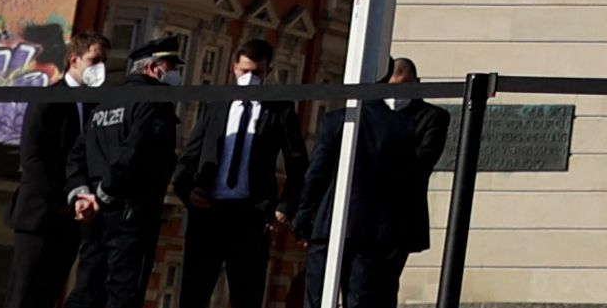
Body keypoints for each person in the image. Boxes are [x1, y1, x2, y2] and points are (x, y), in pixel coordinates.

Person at [292, 61, 453, 308]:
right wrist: (305, 219)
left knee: (374, 293)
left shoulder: (425, 119)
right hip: (339, 223)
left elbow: (418, 168)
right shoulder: (347, 120)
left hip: (385, 225)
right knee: (326, 295)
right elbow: (318, 173)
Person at [69, 39, 187, 308]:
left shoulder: (105, 102)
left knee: (87, 288)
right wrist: (105, 192)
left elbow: (77, 156)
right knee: (124, 292)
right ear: (153, 68)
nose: (175, 74)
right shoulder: (154, 102)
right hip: (130, 213)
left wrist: (82, 195)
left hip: (94, 213)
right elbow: (135, 153)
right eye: (170, 66)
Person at [177, 40, 291, 308]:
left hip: (251, 217)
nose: (249, 78)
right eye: (244, 71)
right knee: (194, 294)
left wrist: (284, 206)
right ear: (234, 68)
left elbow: (297, 163)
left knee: (246, 295)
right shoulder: (217, 105)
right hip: (209, 213)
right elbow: (188, 158)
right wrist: (188, 190)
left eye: (257, 72)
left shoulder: (279, 110)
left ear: (268, 72)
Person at [1, 42, 98, 308]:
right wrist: (60, 200)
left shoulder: (94, 105)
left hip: (72, 220)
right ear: (74, 60)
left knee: (49, 294)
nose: (99, 68)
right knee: (23, 297)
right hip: (40, 215)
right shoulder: (48, 98)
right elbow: (32, 158)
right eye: (94, 60)